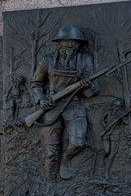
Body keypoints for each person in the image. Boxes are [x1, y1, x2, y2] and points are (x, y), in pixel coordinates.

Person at [31, 25, 100, 181]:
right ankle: (50, 185)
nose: (68, 47)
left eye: (73, 43)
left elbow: (92, 91)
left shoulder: (85, 60)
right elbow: (35, 83)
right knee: (51, 152)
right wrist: (41, 99)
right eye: (65, 43)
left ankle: (66, 159)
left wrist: (89, 85)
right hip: (51, 106)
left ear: (78, 44)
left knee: (78, 143)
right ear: (59, 43)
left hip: (74, 105)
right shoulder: (47, 59)